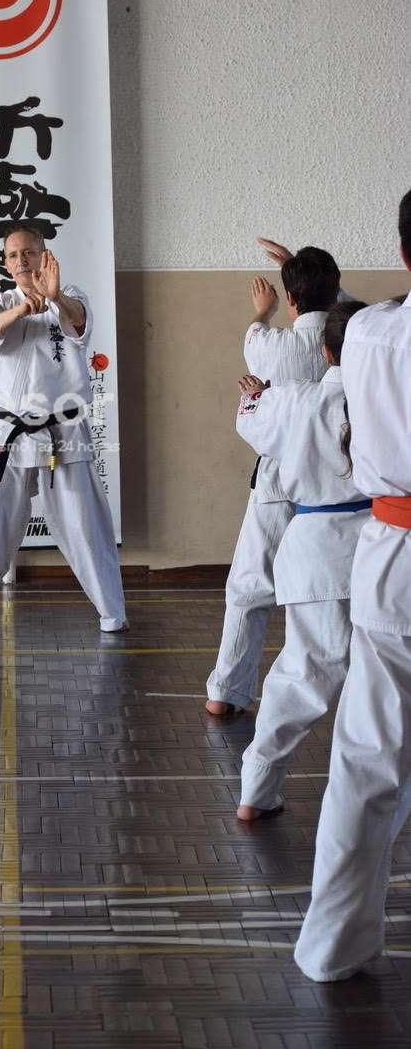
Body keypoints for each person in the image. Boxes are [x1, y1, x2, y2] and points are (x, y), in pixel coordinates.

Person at [295, 191, 411, 982]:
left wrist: (302, 277)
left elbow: (339, 309)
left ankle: (331, 945)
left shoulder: (368, 333)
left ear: (401, 251)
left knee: (368, 760)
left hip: (390, 556)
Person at [0, 223, 126, 637]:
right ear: (6, 263)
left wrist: (54, 298)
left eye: (29, 252)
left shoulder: (69, 296)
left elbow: (79, 322)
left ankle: (113, 611)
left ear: (44, 255)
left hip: (64, 429)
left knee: (85, 523)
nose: (21, 260)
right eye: (13, 255)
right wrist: (22, 310)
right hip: (8, 431)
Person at [231, 299, 368, 820]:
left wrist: (254, 399)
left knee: (307, 673)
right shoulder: (387, 399)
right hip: (378, 545)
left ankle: (257, 787)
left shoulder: (293, 399)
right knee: (381, 676)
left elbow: (253, 426)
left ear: (326, 351)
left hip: (314, 546)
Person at [205, 241, 343, 716]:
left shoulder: (270, 345)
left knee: (251, 584)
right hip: (339, 482)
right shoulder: (351, 335)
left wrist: (263, 309)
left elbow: (256, 332)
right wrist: (298, 272)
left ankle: (227, 690)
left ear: (290, 298)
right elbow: (345, 306)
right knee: (338, 593)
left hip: (279, 478)